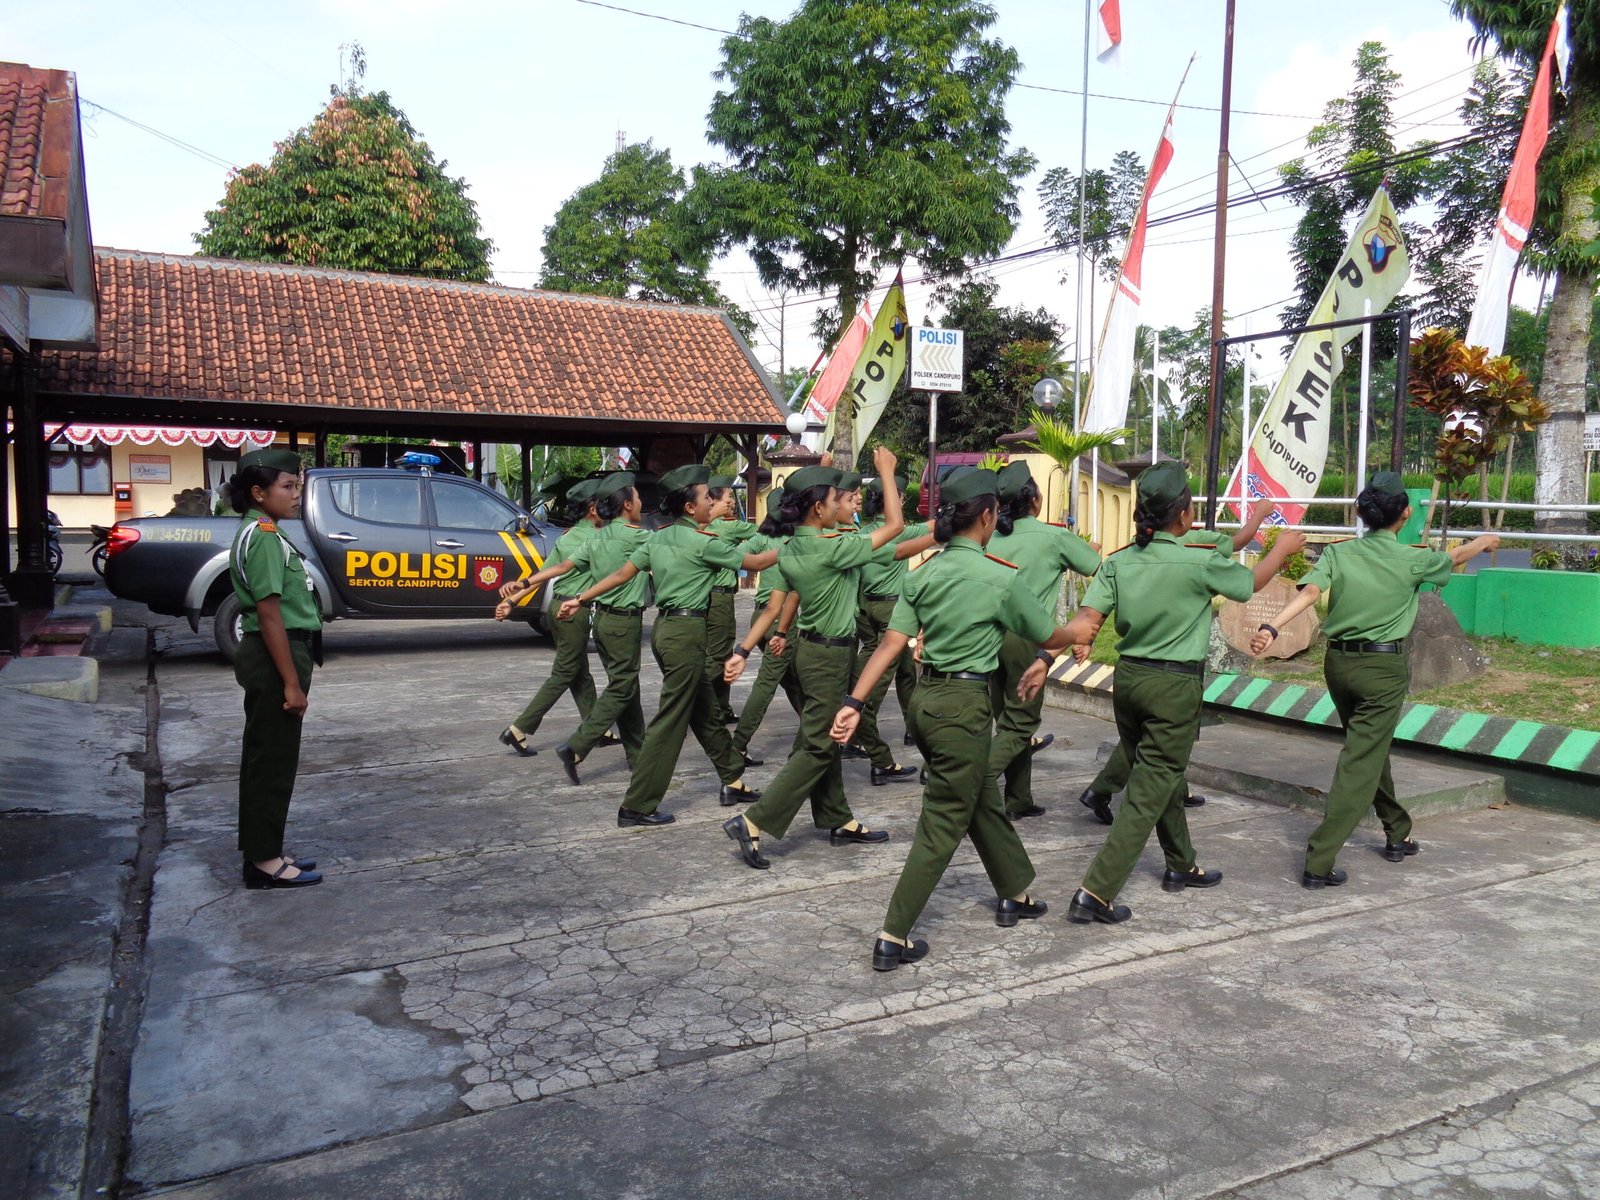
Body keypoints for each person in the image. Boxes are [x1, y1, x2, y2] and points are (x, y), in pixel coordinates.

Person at [832, 467, 1082, 970]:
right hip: (964, 708)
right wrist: (1082, 628)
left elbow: (891, 645)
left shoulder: (923, 575)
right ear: (987, 517)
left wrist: (854, 703)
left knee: (979, 794)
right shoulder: (999, 576)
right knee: (943, 820)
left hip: (925, 705)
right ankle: (893, 935)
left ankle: (1014, 891)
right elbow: (1048, 636)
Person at [1049, 462, 1305, 925]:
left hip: (1128, 681)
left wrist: (1047, 653)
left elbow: (1088, 619)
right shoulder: (1197, 559)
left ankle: (1181, 864)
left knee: (1157, 775)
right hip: (1173, 685)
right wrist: (1282, 549)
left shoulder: (1120, 561)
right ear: (1184, 514)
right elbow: (1248, 585)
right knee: (1148, 790)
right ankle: (1095, 891)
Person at [1249, 473, 1499, 887]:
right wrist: (1484, 542)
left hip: (1338, 666)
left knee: (1369, 749)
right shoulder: (1413, 558)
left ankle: (1397, 830)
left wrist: (1272, 627)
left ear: (1362, 514)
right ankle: (1319, 860)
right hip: (1382, 670)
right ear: (1405, 514)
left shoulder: (1339, 553)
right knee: (1360, 760)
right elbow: (1455, 556)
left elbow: (1309, 594)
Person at [558, 464, 778, 827]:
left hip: (665, 630)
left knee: (705, 709)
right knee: (670, 722)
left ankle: (732, 779)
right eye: (707, 497)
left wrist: (581, 598)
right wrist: (802, 546)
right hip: (685, 633)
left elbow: (621, 575)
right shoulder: (703, 542)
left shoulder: (656, 538)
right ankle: (637, 805)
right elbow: (756, 562)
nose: (712, 502)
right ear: (690, 507)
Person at [721, 449, 904, 872]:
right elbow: (894, 527)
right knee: (820, 745)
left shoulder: (791, 549)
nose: (845, 503)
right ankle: (754, 820)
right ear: (819, 508)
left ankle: (838, 817)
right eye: (838, 499)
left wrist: (744, 650)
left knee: (820, 738)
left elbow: (776, 606)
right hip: (830, 656)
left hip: (808, 650)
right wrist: (886, 472)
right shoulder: (835, 548)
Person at [1077, 497, 1281, 823]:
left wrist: (1079, 642)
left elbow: (1093, 612)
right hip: (1176, 669)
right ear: (1183, 515)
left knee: (1150, 739)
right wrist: (1264, 523)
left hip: (1131, 668)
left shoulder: (1129, 554)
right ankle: (1108, 793)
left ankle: (1170, 808)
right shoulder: (1199, 549)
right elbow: (1242, 557)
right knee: (1160, 744)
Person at [228, 448, 324, 890]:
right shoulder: (264, 536)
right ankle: (264, 862)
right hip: (276, 656)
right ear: (258, 493)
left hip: (278, 653)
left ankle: (265, 849)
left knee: (267, 756)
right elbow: (269, 615)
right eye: (287, 486)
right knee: (272, 761)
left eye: (296, 485)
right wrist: (291, 683)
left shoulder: (264, 531)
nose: (295, 493)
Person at [986, 461, 1101, 819]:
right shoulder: (1053, 537)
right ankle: (974, 782)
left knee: (1007, 720)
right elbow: (1097, 568)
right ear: (1034, 498)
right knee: (1020, 723)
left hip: (987, 635)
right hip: (1026, 638)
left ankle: (1019, 798)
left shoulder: (988, 536)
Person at [547, 473, 653, 782]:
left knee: (627, 687)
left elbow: (563, 566)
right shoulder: (639, 536)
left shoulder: (597, 537)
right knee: (622, 687)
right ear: (627, 504)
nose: (642, 503)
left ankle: (638, 756)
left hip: (602, 620)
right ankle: (577, 745)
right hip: (624, 622)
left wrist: (525, 584)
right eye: (638, 497)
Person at [494, 477, 602, 756]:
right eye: (605, 502)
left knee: (580, 673)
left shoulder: (567, 536)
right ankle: (518, 729)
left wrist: (512, 600)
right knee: (565, 672)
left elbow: (544, 574)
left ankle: (597, 728)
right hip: (574, 611)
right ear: (593, 509)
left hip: (556, 606)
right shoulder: (596, 539)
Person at [847, 473, 938, 783]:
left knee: (905, 671)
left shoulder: (863, 533)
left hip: (866, 608)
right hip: (892, 610)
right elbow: (932, 528)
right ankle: (865, 732)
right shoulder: (898, 532)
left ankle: (912, 729)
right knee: (877, 683)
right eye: (900, 496)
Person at [730, 487, 805, 767]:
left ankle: (820, 732)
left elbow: (735, 556)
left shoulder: (760, 538)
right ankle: (738, 744)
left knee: (793, 681)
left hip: (759, 615)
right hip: (782, 619)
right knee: (767, 684)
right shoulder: (798, 541)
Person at [704, 475, 754, 727]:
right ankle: (695, 699)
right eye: (727, 498)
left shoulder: (701, 526)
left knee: (715, 652)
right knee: (720, 653)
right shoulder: (728, 527)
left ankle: (720, 708)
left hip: (704, 596)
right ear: (712, 501)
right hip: (720, 597)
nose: (732, 502)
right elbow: (761, 532)